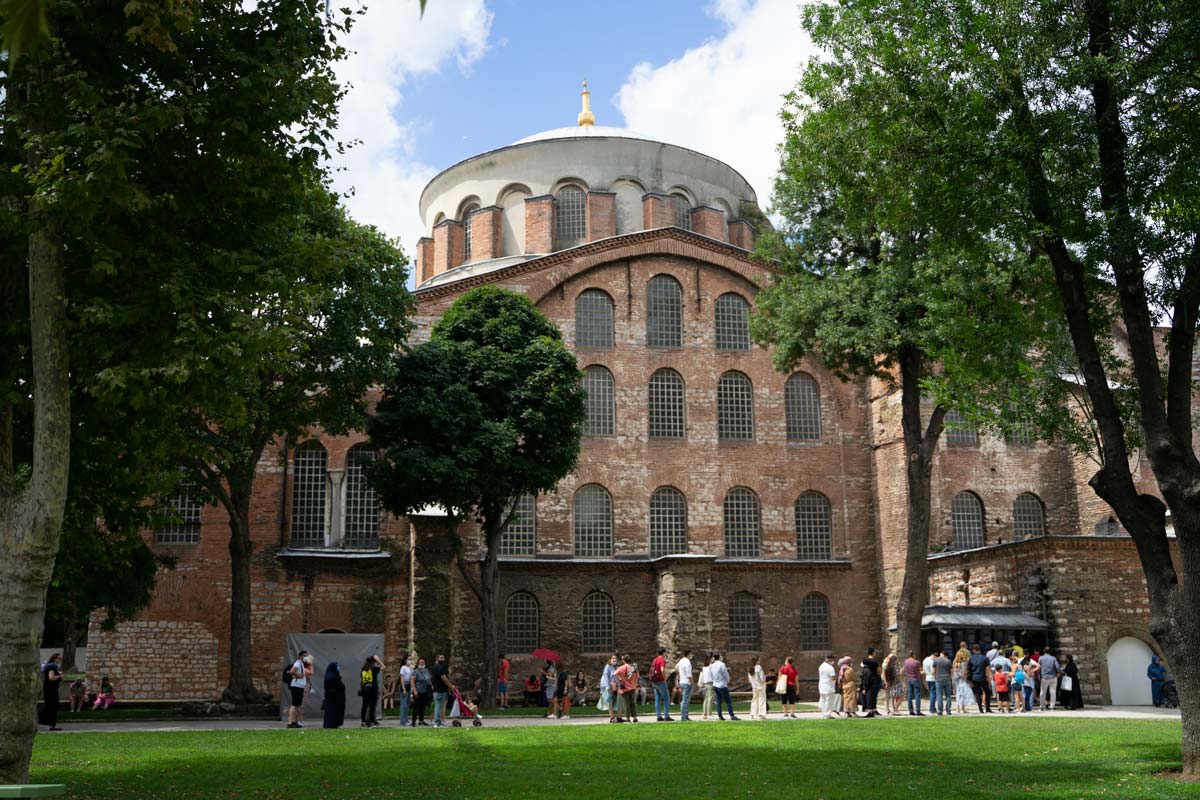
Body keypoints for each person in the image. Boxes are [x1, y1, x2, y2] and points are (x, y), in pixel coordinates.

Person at [286, 650, 311, 729]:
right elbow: (292, 671)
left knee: (298, 705)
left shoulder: (301, 664)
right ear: (301, 656)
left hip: (299, 686)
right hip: (296, 686)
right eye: (305, 656)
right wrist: (298, 676)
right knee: (294, 705)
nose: (307, 658)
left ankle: (295, 722)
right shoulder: (297, 663)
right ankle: (290, 722)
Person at [709, 652, 738, 720]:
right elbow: (725, 673)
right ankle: (732, 715)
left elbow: (711, 675)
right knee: (728, 700)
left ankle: (720, 715)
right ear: (719, 657)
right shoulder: (722, 664)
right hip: (722, 684)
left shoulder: (712, 665)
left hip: (715, 684)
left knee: (718, 701)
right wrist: (727, 680)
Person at [360, 654, 384, 727]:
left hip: (365, 689)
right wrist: (378, 660)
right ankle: (371, 721)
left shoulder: (363, 669)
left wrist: (362, 688)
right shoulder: (374, 668)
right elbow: (383, 667)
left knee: (364, 705)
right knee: (372, 706)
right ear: (374, 662)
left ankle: (363, 721)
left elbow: (360, 680)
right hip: (373, 689)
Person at [39, 653, 62, 731]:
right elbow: (51, 677)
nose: (60, 659)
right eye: (59, 658)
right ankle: (44, 721)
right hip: (50, 690)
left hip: (51, 689)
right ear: (54, 658)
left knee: (52, 706)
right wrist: (59, 676)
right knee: (52, 706)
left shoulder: (53, 666)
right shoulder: (52, 666)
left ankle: (51, 724)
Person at [431, 654, 454, 728]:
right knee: (438, 706)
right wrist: (451, 686)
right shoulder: (437, 667)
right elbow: (444, 678)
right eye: (441, 657)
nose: (442, 659)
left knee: (440, 706)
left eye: (443, 658)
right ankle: (437, 722)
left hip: (442, 689)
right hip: (439, 690)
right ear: (437, 658)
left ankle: (438, 721)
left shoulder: (441, 667)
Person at [968, 644, 993, 714]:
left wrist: (970, 680)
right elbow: (987, 669)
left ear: (973, 650)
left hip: (974, 678)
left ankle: (980, 709)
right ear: (980, 650)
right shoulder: (985, 658)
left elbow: (969, 669)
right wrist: (989, 679)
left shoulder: (971, 658)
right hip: (983, 678)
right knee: (987, 692)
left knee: (977, 693)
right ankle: (987, 708)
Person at [650, 647, 673, 721]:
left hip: (654, 681)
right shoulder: (662, 659)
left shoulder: (655, 659)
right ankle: (666, 715)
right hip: (660, 681)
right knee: (666, 698)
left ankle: (659, 716)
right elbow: (662, 669)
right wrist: (665, 677)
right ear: (663, 653)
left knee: (657, 698)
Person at [615, 655, 640, 723]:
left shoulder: (622, 668)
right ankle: (635, 718)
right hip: (632, 688)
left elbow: (614, 674)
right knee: (633, 703)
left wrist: (619, 679)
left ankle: (628, 718)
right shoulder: (634, 668)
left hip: (624, 688)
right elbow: (637, 677)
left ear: (624, 661)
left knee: (626, 704)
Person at [323, 661, 346, 729]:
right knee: (332, 711)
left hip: (336, 698)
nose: (338, 668)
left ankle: (335, 723)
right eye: (337, 666)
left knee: (336, 711)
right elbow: (329, 684)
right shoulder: (331, 676)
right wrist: (333, 689)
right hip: (333, 698)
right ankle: (331, 724)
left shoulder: (334, 675)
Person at [860, 648, 882, 717]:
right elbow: (879, 670)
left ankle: (872, 710)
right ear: (872, 653)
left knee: (870, 696)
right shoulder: (874, 662)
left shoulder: (865, 661)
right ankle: (872, 711)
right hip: (874, 680)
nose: (875, 653)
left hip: (868, 680)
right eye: (875, 652)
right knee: (873, 696)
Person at [952, 642, 973, 714]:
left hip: (956, 680)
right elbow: (966, 671)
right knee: (963, 693)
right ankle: (963, 708)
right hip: (963, 680)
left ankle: (957, 708)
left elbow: (954, 672)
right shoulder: (965, 661)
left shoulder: (955, 663)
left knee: (958, 693)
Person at [411, 657, 432, 727]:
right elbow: (412, 681)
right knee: (416, 707)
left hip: (425, 691)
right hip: (418, 691)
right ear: (418, 663)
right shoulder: (415, 671)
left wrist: (431, 686)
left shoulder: (426, 671)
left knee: (423, 707)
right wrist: (414, 690)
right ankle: (413, 721)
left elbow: (428, 680)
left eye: (423, 662)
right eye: (420, 662)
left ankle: (421, 720)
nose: (422, 664)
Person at [902, 651, 924, 716]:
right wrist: (923, 672)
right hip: (916, 679)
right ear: (913, 655)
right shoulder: (916, 662)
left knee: (910, 696)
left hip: (909, 679)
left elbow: (905, 669)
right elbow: (920, 671)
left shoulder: (906, 661)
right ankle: (918, 711)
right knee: (917, 695)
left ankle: (911, 710)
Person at [933, 649, 953, 716]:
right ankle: (948, 710)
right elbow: (951, 672)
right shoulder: (948, 661)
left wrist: (935, 677)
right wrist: (950, 678)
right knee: (948, 696)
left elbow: (933, 671)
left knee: (939, 695)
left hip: (938, 679)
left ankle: (940, 711)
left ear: (942, 654)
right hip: (947, 679)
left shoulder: (936, 660)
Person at [675, 649, 694, 721]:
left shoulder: (681, 660)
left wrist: (679, 675)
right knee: (685, 700)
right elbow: (689, 675)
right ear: (688, 654)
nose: (692, 655)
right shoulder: (688, 662)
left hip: (682, 682)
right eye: (691, 654)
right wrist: (692, 683)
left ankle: (686, 715)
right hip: (687, 682)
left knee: (685, 699)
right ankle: (683, 717)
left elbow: (676, 668)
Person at [818, 654, 838, 719]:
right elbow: (833, 678)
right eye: (832, 659)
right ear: (829, 659)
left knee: (823, 701)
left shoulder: (821, 666)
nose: (833, 661)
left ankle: (824, 714)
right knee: (829, 701)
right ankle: (827, 715)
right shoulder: (830, 668)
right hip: (829, 686)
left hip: (822, 686)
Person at [600, 654, 619, 721]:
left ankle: (617, 717)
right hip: (608, 686)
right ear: (610, 659)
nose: (614, 660)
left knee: (615, 701)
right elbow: (606, 677)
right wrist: (608, 687)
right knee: (609, 702)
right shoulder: (607, 667)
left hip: (615, 686)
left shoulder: (615, 667)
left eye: (615, 658)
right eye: (613, 658)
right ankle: (612, 717)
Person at [749, 655, 768, 720]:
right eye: (759, 660)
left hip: (754, 687)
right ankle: (761, 714)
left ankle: (752, 714)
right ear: (757, 661)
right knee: (761, 699)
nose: (759, 661)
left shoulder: (750, 668)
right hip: (760, 685)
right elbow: (762, 678)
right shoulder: (758, 667)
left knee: (754, 699)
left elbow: (750, 680)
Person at [398, 654, 413, 726]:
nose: (410, 661)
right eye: (409, 659)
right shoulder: (403, 668)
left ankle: (406, 720)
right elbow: (402, 678)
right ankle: (402, 721)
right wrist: (403, 689)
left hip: (409, 685)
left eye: (411, 659)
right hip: (404, 685)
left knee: (407, 704)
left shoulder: (410, 668)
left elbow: (411, 678)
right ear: (405, 660)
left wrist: (412, 688)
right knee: (403, 704)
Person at [699, 654, 715, 720]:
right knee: (710, 699)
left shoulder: (704, 668)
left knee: (706, 699)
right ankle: (709, 714)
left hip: (705, 684)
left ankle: (704, 713)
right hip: (710, 683)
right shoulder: (711, 667)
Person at [922, 649, 938, 716]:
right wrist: (936, 678)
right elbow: (933, 671)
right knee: (933, 694)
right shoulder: (932, 661)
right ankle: (932, 708)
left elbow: (924, 670)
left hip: (927, 678)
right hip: (932, 678)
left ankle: (933, 707)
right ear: (934, 655)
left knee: (931, 693)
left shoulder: (925, 660)